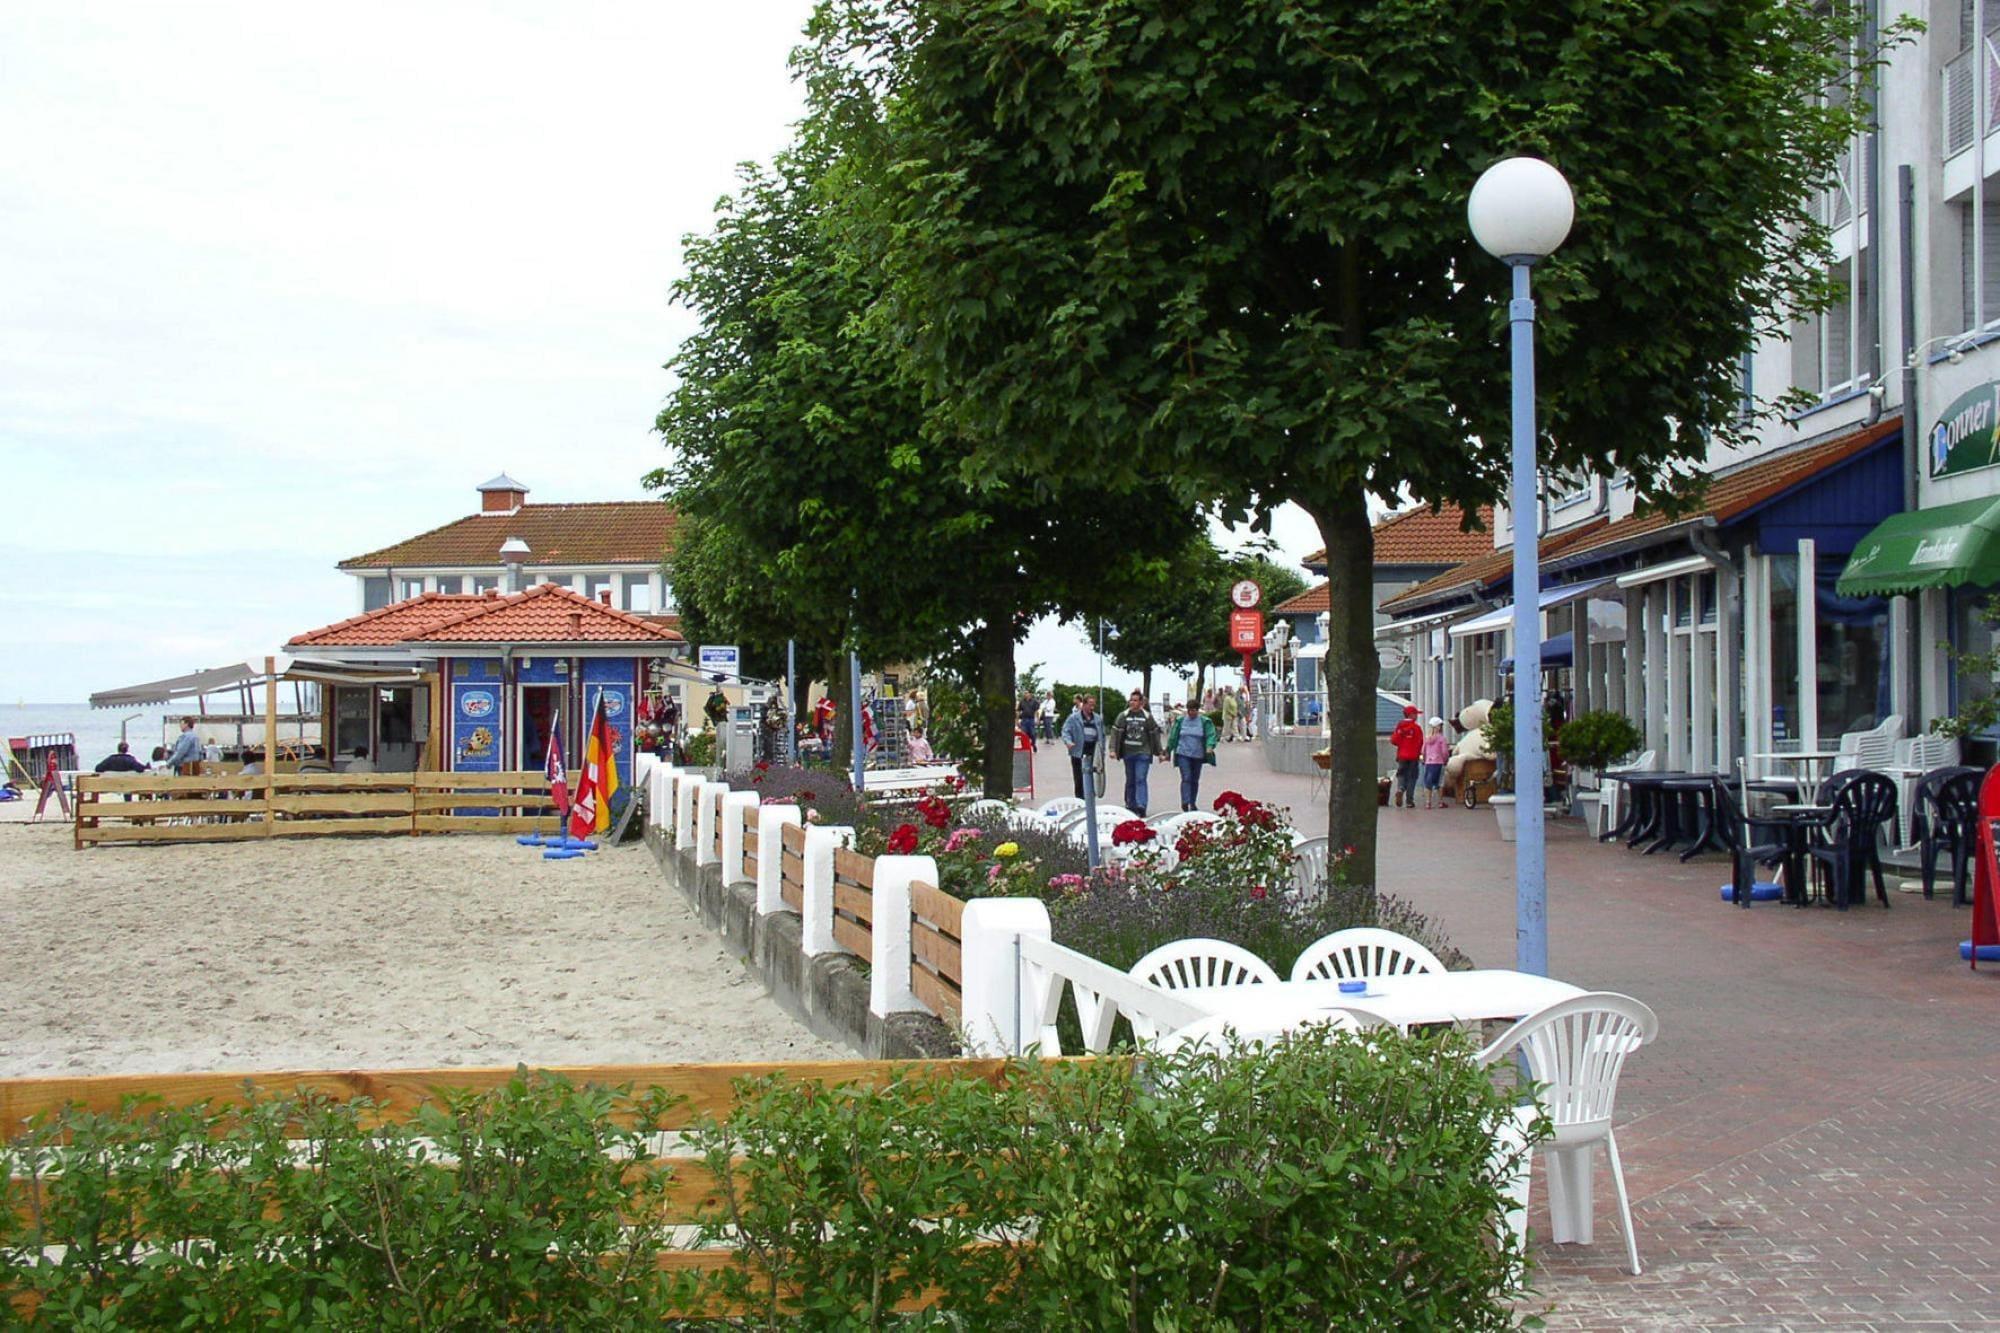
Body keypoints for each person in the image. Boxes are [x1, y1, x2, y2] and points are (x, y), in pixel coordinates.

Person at [1108, 690, 1164, 816]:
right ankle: (1130, 804)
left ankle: (1141, 806)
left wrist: (1160, 752)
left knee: (1140, 778)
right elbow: (1115, 733)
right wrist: (1112, 749)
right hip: (1128, 753)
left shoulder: (1147, 717)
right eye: (1131, 700)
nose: (1132, 703)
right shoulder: (1123, 716)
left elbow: (1155, 735)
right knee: (1130, 780)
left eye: (1135, 700)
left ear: (1141, 702)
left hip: (1143, 753)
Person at [1167, 698, 1220, 812]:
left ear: (1197, 710)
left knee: (1194, 779)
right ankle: (1185, 801)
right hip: (1183, 753)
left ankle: (1192, 802)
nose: (1191, 713)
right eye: (1189, 710)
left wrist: (1210, 746)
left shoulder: (1204, 722)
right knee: (1186, 777)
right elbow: (1173, 736)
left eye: (1194, 710)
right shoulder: (1181, 721)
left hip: (1197, 755)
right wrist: (1168, 750)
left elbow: (1211, 735)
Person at [1060, 692, 1104, 800]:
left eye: (1093, 705)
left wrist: (1102, 751)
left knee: (1092, 776)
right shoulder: (1074, 718)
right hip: (1078, 751)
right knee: (1079, 777)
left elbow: (1102, 735)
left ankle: (1090, 799)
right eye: (1090, 704)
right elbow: (1065, 731)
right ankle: (1080, 799)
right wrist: (1068, 742)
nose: (1092, 707)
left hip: (1093, 751)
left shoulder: (1097, 719)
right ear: (1083, 704)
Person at [1390, 705, 1424, 809]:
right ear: (1411, 715)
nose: (1417, 716)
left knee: (1401, 774)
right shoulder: (1416, 728)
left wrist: (1403, 742)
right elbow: (1420, 742)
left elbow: (1394, 740)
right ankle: (1409, 801)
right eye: (1416, 714)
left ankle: (1400, 788)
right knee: (1412, 777)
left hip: (1402, 756)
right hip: (1413, 756)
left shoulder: (1400, 726)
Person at [1420, 717, 1452, 810]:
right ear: (1439, 727)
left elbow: (1423, 751)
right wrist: (1445, 760)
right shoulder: (1442, 739)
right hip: (1439, 762)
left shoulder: (1427, 739)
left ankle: (1428, 802)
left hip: (1428, 763)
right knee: (1440, 783)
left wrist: (1424, 760)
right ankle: (1440, 802)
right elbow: (1445, 752)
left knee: (1428, 783)